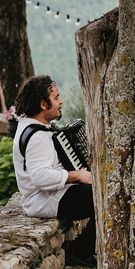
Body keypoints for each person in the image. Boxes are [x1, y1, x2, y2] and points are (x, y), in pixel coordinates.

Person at [11, 74, 95, 229]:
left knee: (104, 191)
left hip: (54, 195)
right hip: (46, 200)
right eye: (56, 98)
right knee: (104, 195)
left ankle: (82, 250)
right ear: (43, 104)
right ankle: (80, 252)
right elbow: (40, 177)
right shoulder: (37, 136)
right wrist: (77, 175)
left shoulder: (36, 128)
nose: (61, 102)